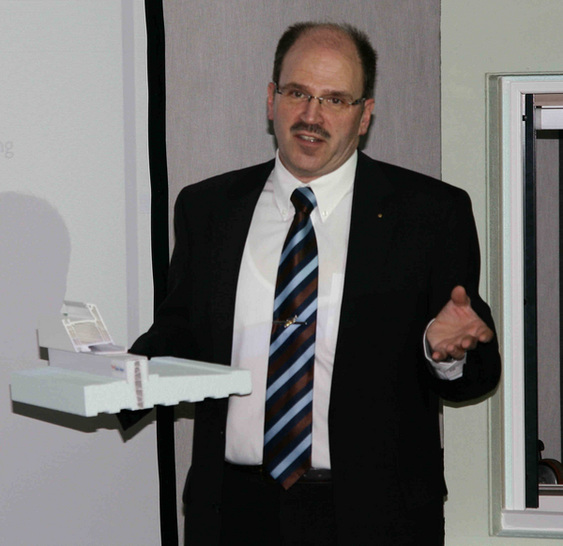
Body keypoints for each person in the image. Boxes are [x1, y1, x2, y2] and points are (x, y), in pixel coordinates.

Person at [131, 21, 501, 546]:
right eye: (298, 93)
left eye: (335, 99)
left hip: (377, 516)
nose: (311, 115)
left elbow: (478, 369)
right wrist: (118, 375)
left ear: (365, 114)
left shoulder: (430, 214)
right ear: (270, 98)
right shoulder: (208, 208)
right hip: (233, 511)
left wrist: (445, 352)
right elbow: (180, 333)